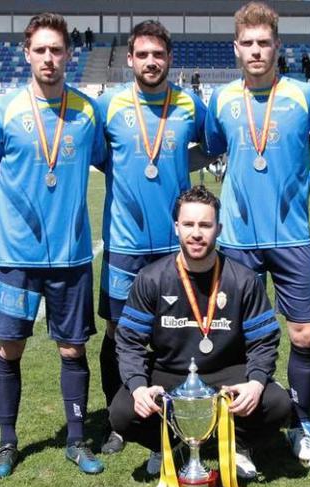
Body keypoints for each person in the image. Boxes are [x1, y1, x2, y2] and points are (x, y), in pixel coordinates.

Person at [0, 12, 108, 478]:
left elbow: (117, 162)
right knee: (10, 348)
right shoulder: (3, 110)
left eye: (57, 49)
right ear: (27, 53)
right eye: (41, 50)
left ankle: (75, 439)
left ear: (69, 54)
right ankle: (7, 443)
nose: (49, 58)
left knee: (72, 350)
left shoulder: (88, 112)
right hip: (14, 256)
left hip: (70, 258)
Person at [203, 1, 310, 464]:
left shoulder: (304, 95)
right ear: (236, 49)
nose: (257, 51)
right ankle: (245, 437)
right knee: (239, 338)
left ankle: (301, 422)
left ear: (278, 46)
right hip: (236, 239)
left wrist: (301, 180)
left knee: (303, 334)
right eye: (248, 43)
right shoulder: (222, 100)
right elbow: (216, 149)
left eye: (264, 43)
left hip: (292, 236)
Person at [109, 186, 290, 479]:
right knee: (122, 412)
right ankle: (169, 445)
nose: (196, 233)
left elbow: (264, 341)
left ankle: (238, 446)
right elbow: (129, 342)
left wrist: (256, 382)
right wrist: (139, 386)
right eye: (189, 224)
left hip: (227, 374)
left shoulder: (243, 279)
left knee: (278, 404)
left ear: (218, 228)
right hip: (169, 373)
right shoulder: (151, 278)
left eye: (205, 225)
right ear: (176, 227)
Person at [94, 19, 210, 457]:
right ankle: (118, 418)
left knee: (173, 333)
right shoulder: (108, 105)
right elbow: (102, 156)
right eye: (142, 55)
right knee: (117, 331)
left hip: (174, 244)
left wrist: (176, 155)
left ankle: (178, 414)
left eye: (158, 54)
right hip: (124, 244)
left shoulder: (189, 104)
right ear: (130, 59)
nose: (150, 62)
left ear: (169, 59)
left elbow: (211, 144)